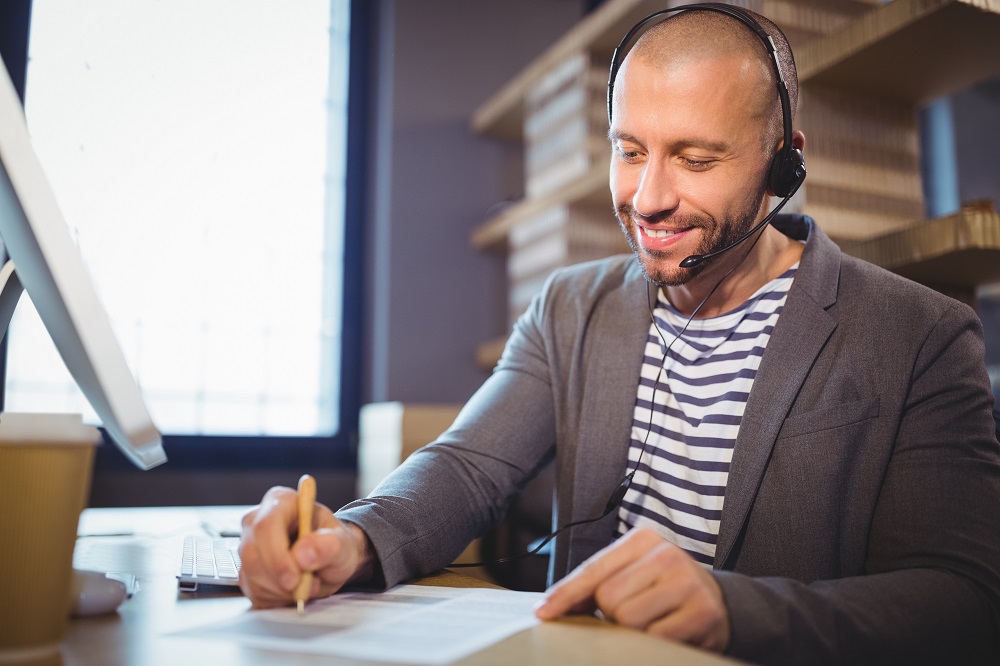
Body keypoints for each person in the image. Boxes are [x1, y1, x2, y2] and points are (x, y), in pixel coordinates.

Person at [238, 6, 1000, 664]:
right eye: (630, 150)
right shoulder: (569, 306)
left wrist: (733, 609)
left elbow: (965, 598)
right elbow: (466, 468)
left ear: (783, 164)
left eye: (696, 158)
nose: (648, 197)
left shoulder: (921, 334)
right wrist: (351, 540)